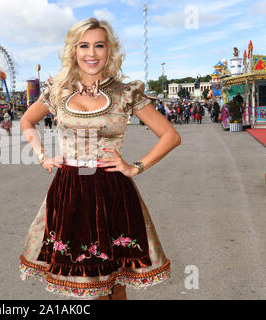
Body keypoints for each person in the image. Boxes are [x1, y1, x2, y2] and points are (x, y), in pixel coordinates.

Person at [19, 18, 181, 300]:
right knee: (87, 283)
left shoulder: (124, 93)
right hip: (69, 189)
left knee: (116, 281)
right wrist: (43, 156)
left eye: (99, 45)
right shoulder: (58, 91)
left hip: (111, 189)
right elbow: (27, 122)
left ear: (109, 51)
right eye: (84, 45)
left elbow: (170, 135)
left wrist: (135, 167)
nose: (91, 53)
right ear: (74, 50)